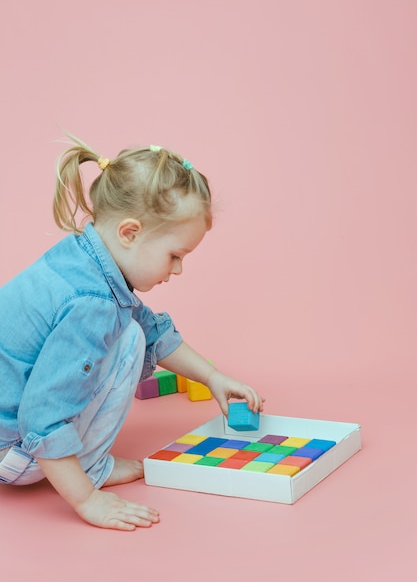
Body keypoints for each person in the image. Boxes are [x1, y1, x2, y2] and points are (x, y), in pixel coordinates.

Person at [0, 135, 264, 531]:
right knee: (129, 341)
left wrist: (212, 378)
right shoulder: (93, 303)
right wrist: (88, 499)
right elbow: (41, 416)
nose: (177, 270)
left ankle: (86, 464)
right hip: (15, 452)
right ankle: (89, 467)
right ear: (129, 233)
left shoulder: (81, 259)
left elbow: (153, 328)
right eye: (175, 255)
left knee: (135, 329)